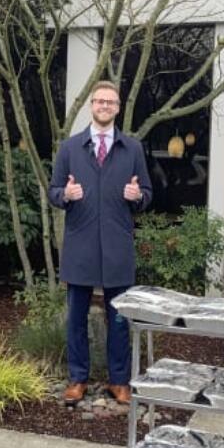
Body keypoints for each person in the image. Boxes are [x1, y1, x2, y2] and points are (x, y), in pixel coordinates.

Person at [48, 80, 152, 407]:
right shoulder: (69, 148)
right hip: (80, 246)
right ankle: (78, 379)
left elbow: (148, 194)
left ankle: (119, 381)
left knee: (119, 319)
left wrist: (138, 197)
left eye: (111, 102)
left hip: (118, 247)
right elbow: (53, 191)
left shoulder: (132, 149)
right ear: (91, 106)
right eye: (100, 101)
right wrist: (66, 195)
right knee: (76, 317)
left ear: (118, 108)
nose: (105, 106)